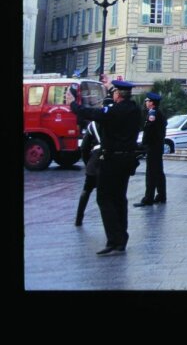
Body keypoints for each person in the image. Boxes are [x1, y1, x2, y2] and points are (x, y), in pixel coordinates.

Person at [65, 79, 141, 255]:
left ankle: (114, 239)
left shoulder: (113, 111)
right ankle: (121, 238)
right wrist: (109, 88)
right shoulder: (135, 110)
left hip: (112, 160)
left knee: (104, 198)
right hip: (127, 160)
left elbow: (90, 113)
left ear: (117, 95)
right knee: (120, 199)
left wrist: (73, 104)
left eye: (114, 92)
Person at [134, 92, 167, 207]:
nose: (146, 103)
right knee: (158, 172)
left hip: (153, 147)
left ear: (152, 103)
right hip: (158, 146)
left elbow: (148, 130)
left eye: (147, 101)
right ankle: (161, 195)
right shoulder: (159, 113)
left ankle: (148, 198)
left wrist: (143, 145)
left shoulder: (153, 114)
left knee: (151, 173)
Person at [74, 120, 102, 226]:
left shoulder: (93, 125)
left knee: (86, 190)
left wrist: (88, 163)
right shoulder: (114, 121)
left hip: (95, 161)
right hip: (110, 161)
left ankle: (79, 218)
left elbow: (84, 148)